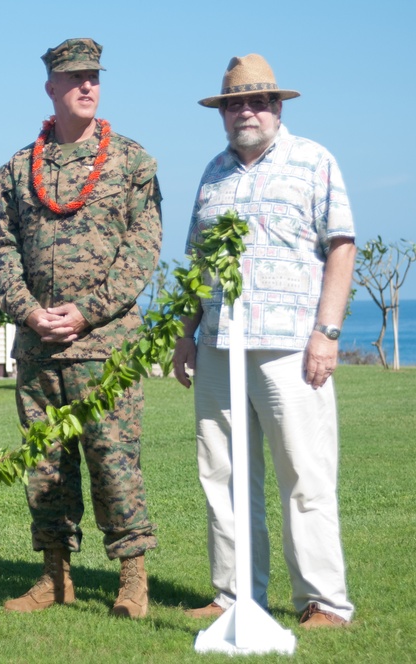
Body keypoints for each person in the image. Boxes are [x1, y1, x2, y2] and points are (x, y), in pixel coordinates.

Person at [173, 54, 356, 629]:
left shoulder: (314, 161)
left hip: (290, 348)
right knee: (222, 475)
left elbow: (341, 247)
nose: (244, 112)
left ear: (277, 107)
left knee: (304, 473)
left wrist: (326, 334)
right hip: (218, 345)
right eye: (233, 104)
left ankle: (323, 601)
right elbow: (198, 262)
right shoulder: (212, 173)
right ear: (222, 113)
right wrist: (185, 336)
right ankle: (232, 596)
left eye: (255, 101)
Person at [0, 38, 161, 618]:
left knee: (113, 461)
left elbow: (142, 251)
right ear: (51, 88)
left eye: (93, 77)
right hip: (40, 347)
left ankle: (132, 580)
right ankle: (55, 576)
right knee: (45, 466)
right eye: (74, 78)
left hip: (103, 346)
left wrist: (87, 311)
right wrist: (30, 311)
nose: (87, 86)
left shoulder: (132, 162)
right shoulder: (18, 168)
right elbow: (4, 252)